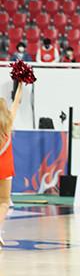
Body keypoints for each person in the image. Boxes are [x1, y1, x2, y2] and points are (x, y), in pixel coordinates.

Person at [0, 83, 24, 247]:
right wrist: (20, 85)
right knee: (3, 201)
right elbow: (17, 102)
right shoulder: (9, 123)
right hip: (5, 168)